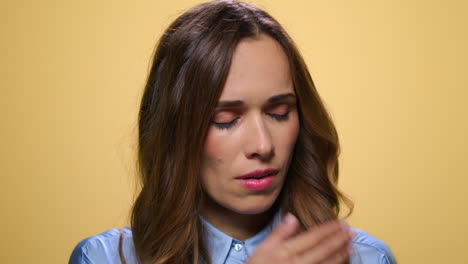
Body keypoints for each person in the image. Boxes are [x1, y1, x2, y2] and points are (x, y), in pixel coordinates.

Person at [69, 0, 396, 263]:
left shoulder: (368, 258)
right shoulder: (104, 258)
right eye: (226, 119)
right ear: (176, 132)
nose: (262, 144)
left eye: (279, 112)